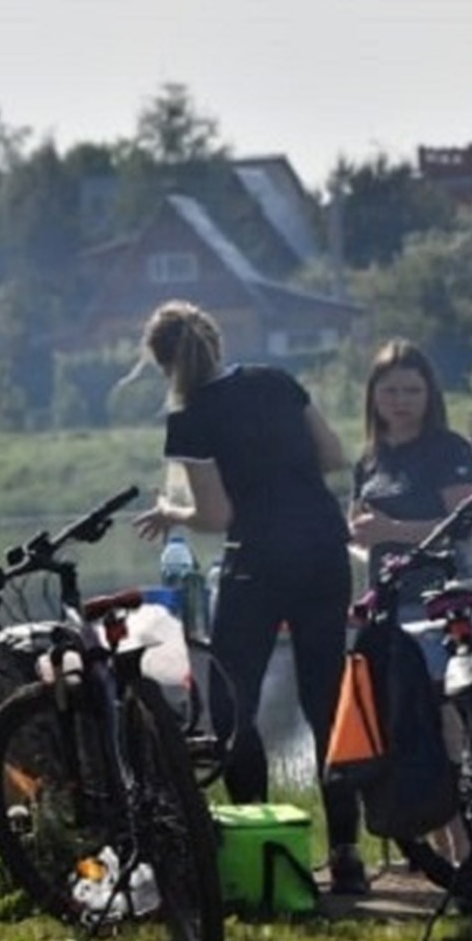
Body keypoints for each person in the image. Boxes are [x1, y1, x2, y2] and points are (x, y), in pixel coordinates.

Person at [130, 300, 368, 895]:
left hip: (256, 562)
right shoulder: (276, 381)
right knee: (325, 700)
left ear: (162, 364)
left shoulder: (188, 418)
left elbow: (216, 515)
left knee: (232, 702)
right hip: (321, 549)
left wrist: (170, 511)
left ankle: (260, 844)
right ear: (216, 338)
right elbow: (336, 456)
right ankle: (345, 854)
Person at [349, 339, 472, 863]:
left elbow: (463, 529)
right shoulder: (369, 460)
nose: (401, 400)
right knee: (404, 726)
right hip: (386, 603)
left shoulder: (449, 449)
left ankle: (468, 849)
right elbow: (363, 537)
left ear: (430, 395)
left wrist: (391, 529)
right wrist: (361, 544)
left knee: (444, 724)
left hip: (437, 600)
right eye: (390, 390)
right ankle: (439, 852)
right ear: (373, 397)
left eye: (412, 390)